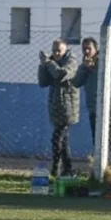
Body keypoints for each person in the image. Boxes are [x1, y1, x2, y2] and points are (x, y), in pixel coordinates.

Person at [72, 37, 111, 167]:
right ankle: (102, 167)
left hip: (108, 106)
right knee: (98, 140)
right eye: (84, 48)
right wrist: (85, 68)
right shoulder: (84, 66)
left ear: (96, 49)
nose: (87, 51)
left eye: (89, 48)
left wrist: (103, 63)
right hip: (94, 107)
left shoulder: (104, 61)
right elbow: (76, 83)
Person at [37, 39, 79, 178]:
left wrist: (49, 63)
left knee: (57, 139)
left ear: (65, 50)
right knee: (63, 141)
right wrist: (43, 66)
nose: (56, 53)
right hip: (56, 108)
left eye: (59, 50)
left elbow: (61, 75)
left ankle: (56, 168)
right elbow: (43, 82)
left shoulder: (71, 62)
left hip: (68, 109)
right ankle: (68, 169)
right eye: (54, 50)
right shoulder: (53, 62)